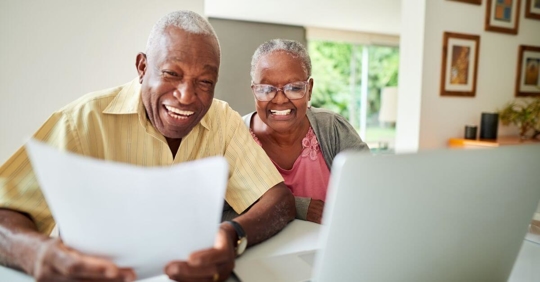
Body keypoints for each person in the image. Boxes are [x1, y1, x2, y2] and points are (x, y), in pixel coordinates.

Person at [0, 11, 295, 282]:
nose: (186, 96)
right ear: (142, 67)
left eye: (204, 81)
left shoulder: (223, 121)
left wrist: (232, 234)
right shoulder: (81, 121)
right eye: (171, 74)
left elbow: (277, 199)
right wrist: (36, 252)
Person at [243, 39, 369, 224]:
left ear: (309, 90)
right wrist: (297, 207)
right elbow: (227, 210)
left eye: (294, 88)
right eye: (267, 89)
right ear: (254, 91)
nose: (279, 100)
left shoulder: (331, 128)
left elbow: (371, 189)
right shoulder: (236, 136)